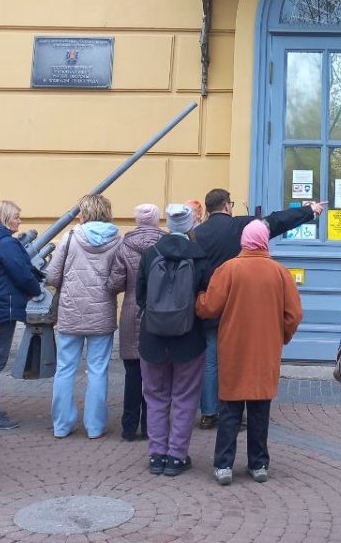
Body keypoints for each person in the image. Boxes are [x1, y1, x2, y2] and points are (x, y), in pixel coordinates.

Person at [194, 188, 326, 429]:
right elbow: (276, 221)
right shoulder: (240, 227)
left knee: (210, 361)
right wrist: (309, 211)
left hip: (210, 306)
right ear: (227, 206)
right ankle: (241, 406)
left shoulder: (197, 233)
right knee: (242, 360)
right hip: (239, 308)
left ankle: (209, 412)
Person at [196, 220, 302, 485]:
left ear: (244, 241)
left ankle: (223, 465)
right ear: (265, 241)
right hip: (265, 349)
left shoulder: (229, 269)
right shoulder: (279, 273)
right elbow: (294, 314)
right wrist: (282, 336)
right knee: (260, 407)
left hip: (233, 347)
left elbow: (209, 307)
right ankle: (259, 464)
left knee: (230, 408)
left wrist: (198, 299)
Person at [136, 203, 209, 477]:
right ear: (190, 225)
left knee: (155, 396)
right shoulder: (200, 256)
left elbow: (140, 296)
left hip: (152, 336)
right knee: (185, 397)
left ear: (167, 224)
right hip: (189, 337)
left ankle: (156, 455)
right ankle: (177, 456)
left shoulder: (149, 253)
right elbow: (205, 299)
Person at [45, 193, 126, 439]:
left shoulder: (70, 237)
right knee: (98, 369)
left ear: (85, 212)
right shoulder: (117, 240)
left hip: (71, 310)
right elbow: (119, 278)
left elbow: (52, 276)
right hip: (102, 311)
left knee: (65, 368)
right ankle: (95, 425)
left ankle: (62, 424)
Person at [0, 199, 41, 430]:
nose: (20, 221)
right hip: (6, 305)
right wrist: (35, 290)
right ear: (6, 218)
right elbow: (22, 274)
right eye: (16, 217)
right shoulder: (6, 243)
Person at [115, 203, 164, 441]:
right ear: (156, 220)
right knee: (154, 374)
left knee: (132, 373)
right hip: (158, 312)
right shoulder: (165, 244)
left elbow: (114, 283)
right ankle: (149, 427)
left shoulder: (124, 246)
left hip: (130, 311)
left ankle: (128, 427)